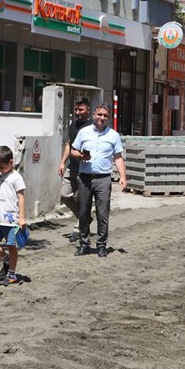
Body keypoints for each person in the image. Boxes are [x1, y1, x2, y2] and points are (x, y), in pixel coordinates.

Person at [71, 103, 128, 258]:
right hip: (85, 178)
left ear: (108, 117)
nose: (102, 118)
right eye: (99, 114)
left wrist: (123, 177)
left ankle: (101, 245)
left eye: (105, 115)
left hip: (103, 179)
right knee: (83, 213)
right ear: (94, 115)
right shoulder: (84, 132)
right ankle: (84, 244)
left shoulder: (113, 135)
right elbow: (73, 150)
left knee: (102, 214)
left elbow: (118, 157)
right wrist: (81, 155)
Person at [0, 146, 27, 286]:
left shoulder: (16, 178)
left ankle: (12, 274)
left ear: (10, 162)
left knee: (11, 246)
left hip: (11, 220)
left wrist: (21, 217)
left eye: (1, 166)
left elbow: (21, 198)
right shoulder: (0, 177)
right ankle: (6, 258)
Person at [57, 98, 92, 241]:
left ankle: (79, 227)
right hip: (71, 168)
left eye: (81, 110)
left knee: (81, 200)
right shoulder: (73, 125)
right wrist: (62, 163)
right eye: (76, 110)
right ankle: (84, 218)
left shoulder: (91, 127)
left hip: (85, 170)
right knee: (64, 195)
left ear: (88, 109)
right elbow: (69, 145)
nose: (77, 112)